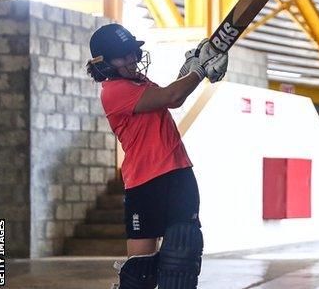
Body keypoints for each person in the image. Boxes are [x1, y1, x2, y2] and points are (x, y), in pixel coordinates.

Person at [85, 23, 227, 289]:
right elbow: (172, 97)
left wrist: (193, 67)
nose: (131, 60)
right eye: (122, 55)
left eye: (132, 53)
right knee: (141, 272)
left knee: (182, 257)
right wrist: (198, 71)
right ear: (102, 63)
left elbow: (169, 96)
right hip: (144, 183)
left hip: (178, 173)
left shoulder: (138, 82)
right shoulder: (114, 92)